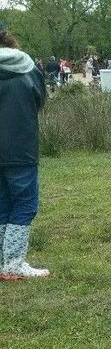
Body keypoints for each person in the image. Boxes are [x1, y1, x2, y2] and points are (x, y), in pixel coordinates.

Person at [0, 23, 50, 280]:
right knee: (24, 204)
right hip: (20, 147)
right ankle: (13, 263)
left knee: (2, 203)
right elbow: (39, 99)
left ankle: (3, 261)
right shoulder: (27, 68)